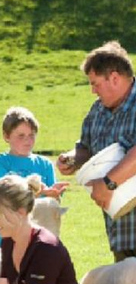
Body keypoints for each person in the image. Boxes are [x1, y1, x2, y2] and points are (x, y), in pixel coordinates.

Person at [57, 40, 136, 262]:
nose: (92, 91)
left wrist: (108, 183)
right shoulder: (98, 111)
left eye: (95, 84)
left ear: (114, 78)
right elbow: (86, 146)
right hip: (121, 231)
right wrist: (73, 158)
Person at [0, 106, 69, 246]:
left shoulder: (45, 164)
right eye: (21, 136)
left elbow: (50, 205)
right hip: (6, 239)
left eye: (31, 135)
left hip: (39, 239)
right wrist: (38, 192)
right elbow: (1, 198)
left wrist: (54, 195)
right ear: (6, 136)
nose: (28, 140)